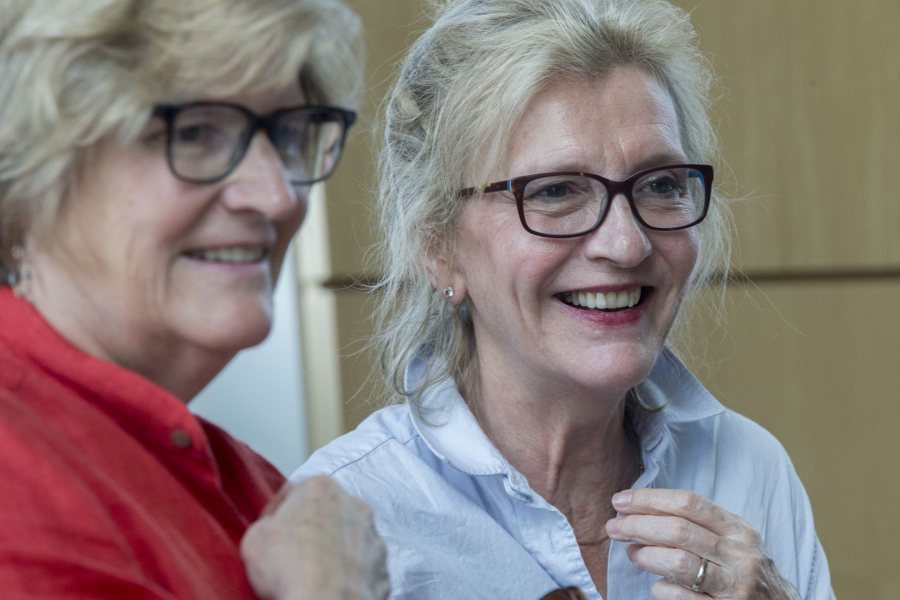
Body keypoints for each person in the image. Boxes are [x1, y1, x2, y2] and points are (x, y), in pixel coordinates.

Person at [244, 0, 835, 598]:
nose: (626, 243)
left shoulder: (748, 469)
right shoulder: (350, 522)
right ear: (439, 246)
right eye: (555, 191)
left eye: (659, 185)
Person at [0, 0, 388, 598]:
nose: (276, 196)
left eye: (286, 135)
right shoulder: (18, 475)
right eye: (199, 132)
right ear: (33, 165)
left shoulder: (243, 480)